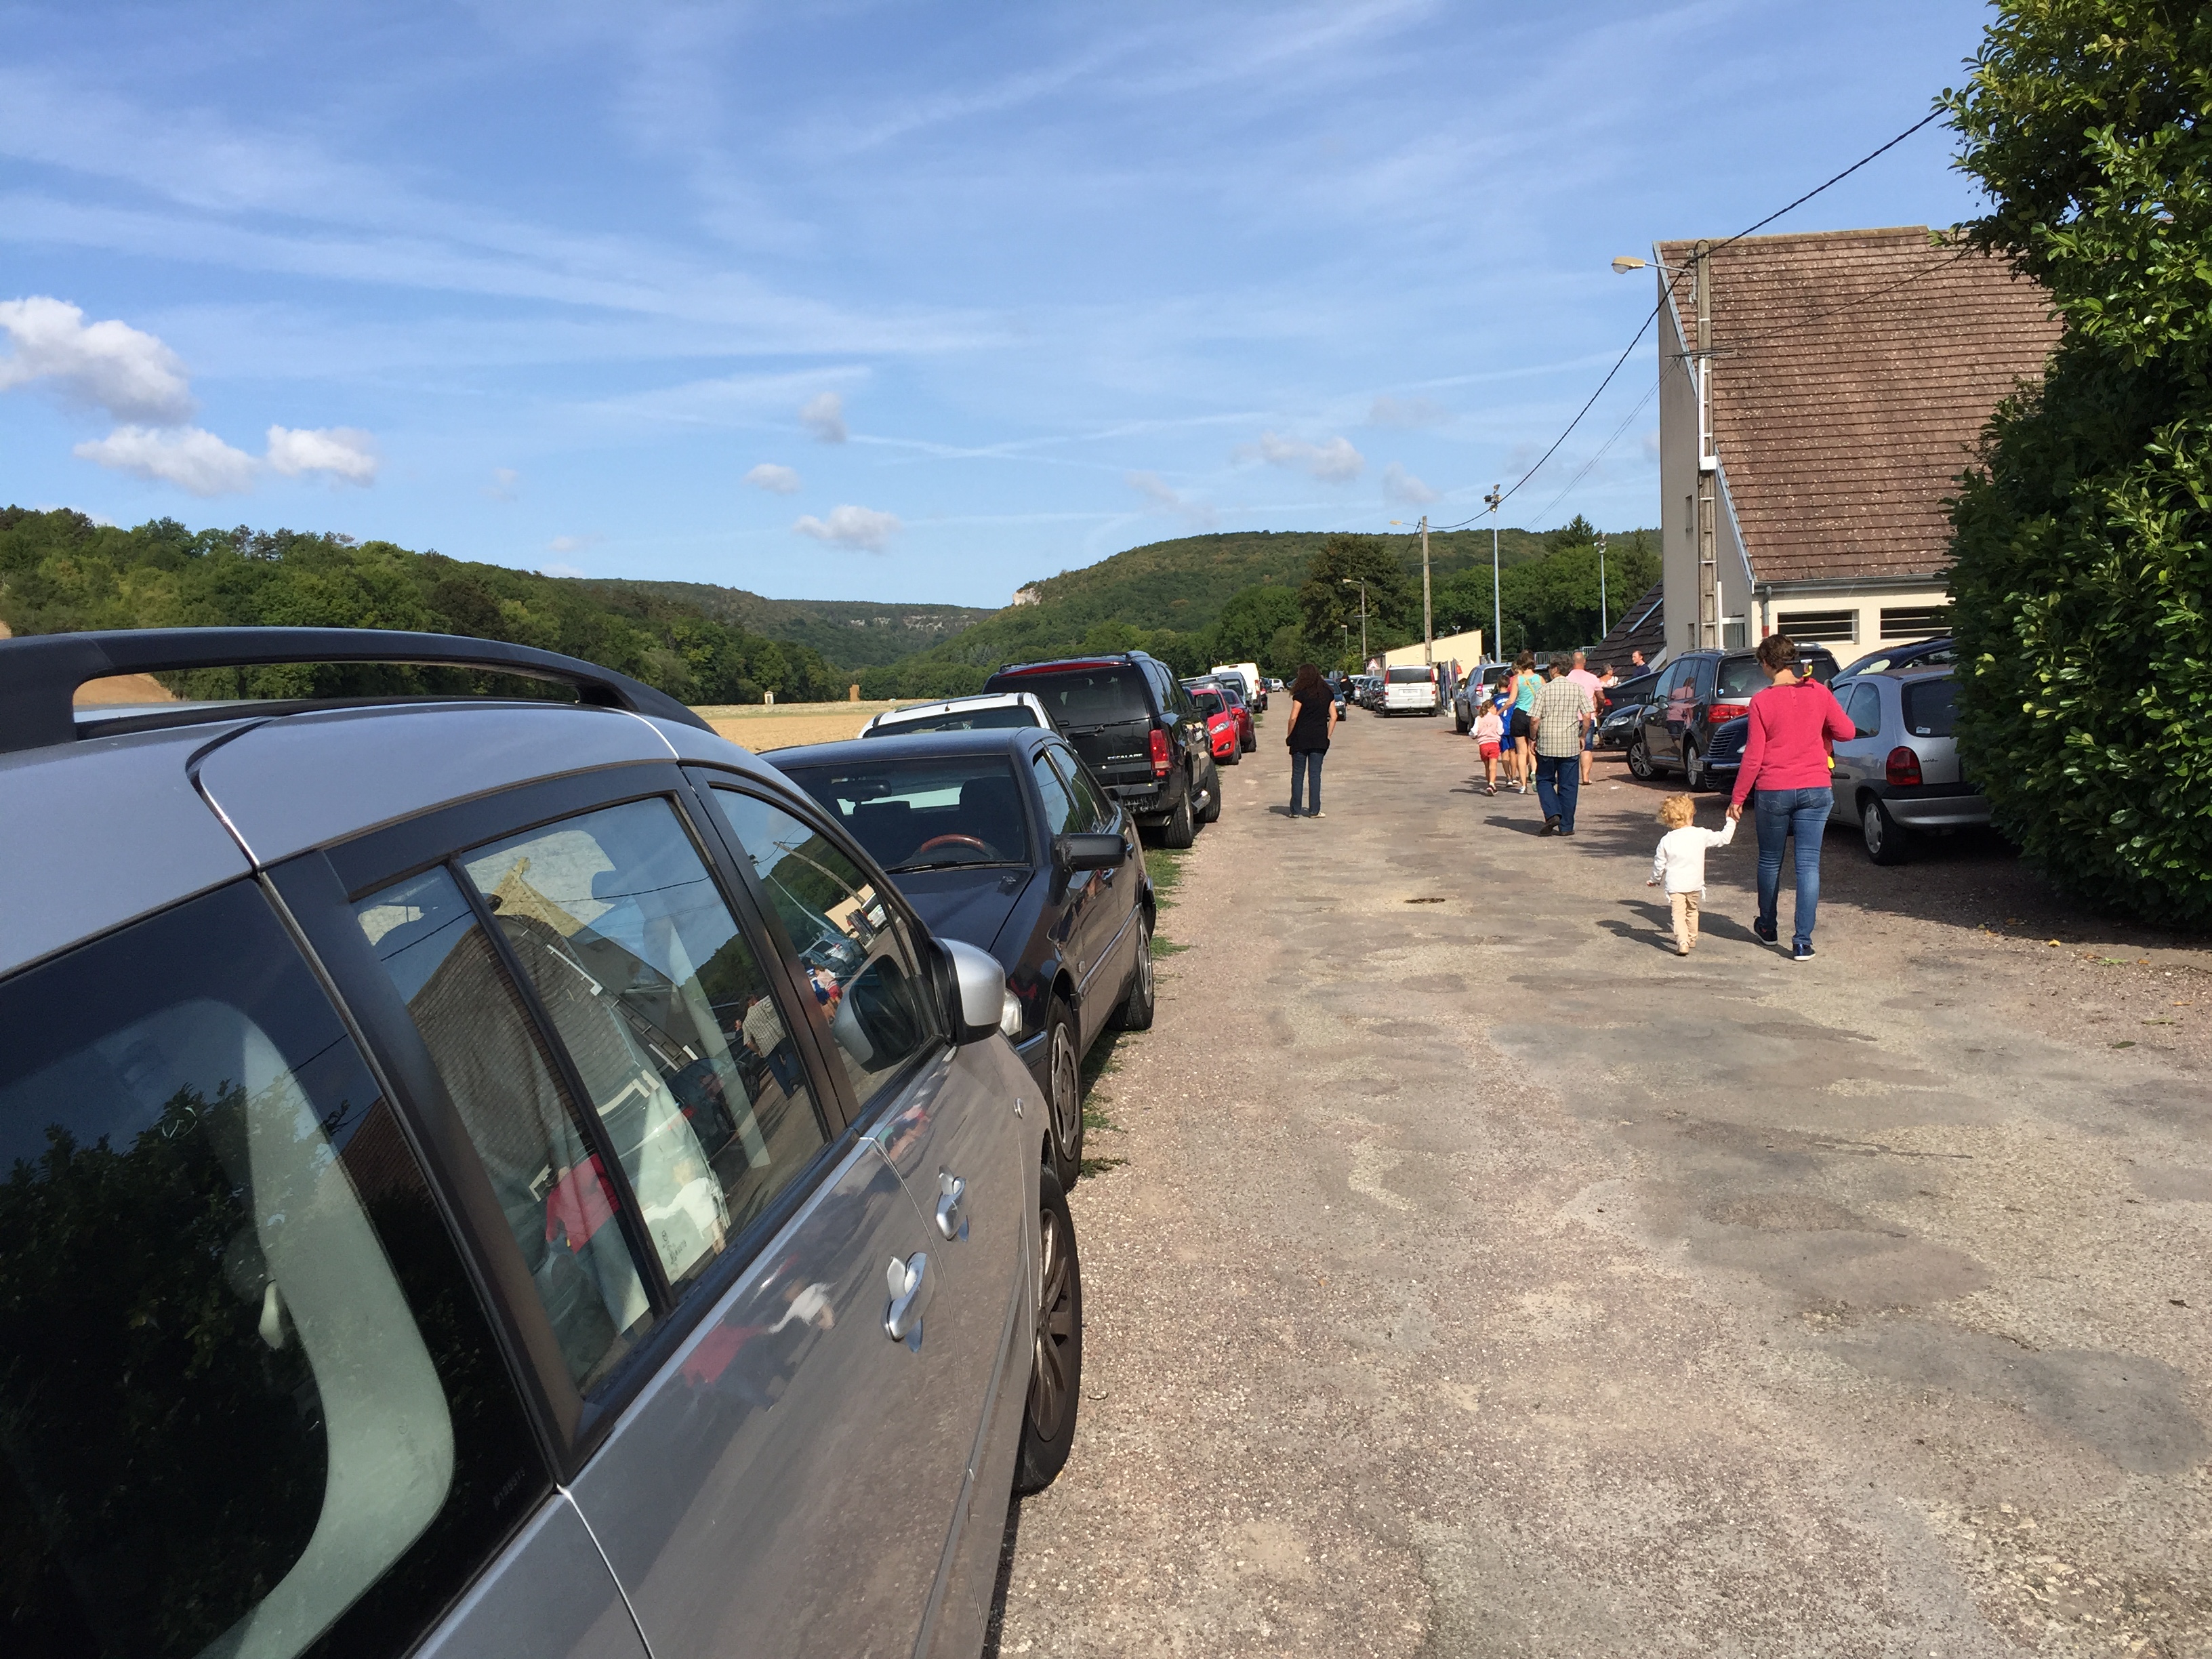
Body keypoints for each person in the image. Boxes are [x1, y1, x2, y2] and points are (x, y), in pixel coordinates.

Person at [1726, 634, 1853, 960]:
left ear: (1768, 663)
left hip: (1774, 788)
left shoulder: (1761, 702)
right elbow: (1847, 732)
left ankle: (1768, 927)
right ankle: (1802, 942)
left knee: (1770, 861)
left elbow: (1753, 756)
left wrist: (1738, 798)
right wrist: (1821, 729)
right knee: (1808, 865)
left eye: (1761, 663)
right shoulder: (1819, 692)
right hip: (1815, 787)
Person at [1647, 794, 1737, 956]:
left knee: (1678, 914)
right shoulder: (1700, 834)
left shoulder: (1666, 840)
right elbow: (1724, 838)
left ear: (1669, 820)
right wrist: (1731, 821)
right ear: (1690, 815)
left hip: (1675, 886)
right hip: (1695, 884)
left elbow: (1659, 864)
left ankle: (1683, 942)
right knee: (1692, 910)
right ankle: (1692, 937)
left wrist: (1655, 879)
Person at [1528, 650, 1594, 836]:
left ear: (1555, 669)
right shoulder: (1577, 689)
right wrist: (1583, 736)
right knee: (1569, 786)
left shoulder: (1544, 690)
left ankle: (1553, 813)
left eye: (1550, 667)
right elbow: (1587, 716)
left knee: (1544, 780)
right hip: (1570, 744)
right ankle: (1566, 827)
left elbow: (1534, 719)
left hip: (1547, 744)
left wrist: (1533, 738)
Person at [1285, 661, 1339, 819]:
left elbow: (1293, 717)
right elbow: (1334, 716)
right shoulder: (1327, 693)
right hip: (1319, 739)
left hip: (1300, 739)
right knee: (1315, 775)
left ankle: (1295, 810)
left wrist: (1289, 735)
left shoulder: (1300, 694)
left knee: (1298, 775)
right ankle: (1314, 810)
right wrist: (1327, 736)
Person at [1566, 649, 1605, 786]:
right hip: (1587, 716)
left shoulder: (1567, 679)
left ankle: (1570, 777)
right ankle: (1585, 778)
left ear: (1572, 663)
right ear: (1584, 662)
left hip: (1570, 718)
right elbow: (1601, 697)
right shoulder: (1592, 678)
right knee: (1587, 747)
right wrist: (1599, 708)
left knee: (1570, 748)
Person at [1507, 650, 1540, 793]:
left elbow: (1511, 701)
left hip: (1520, 715)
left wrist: (1500, 712)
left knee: (1521, 752)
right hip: (1535, 715)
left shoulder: (1517, 679)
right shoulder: (1540, 679)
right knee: (1533, 749)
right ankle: (1535, 774)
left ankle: (1523, 785)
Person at [1473, 699, 1504, 795]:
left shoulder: (1479, 719)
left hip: (1483, 745)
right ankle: (1492, 784)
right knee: (1493, 767)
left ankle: (1489, 784)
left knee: (1487, 767)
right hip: (1494, 744)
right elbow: (1501, 731)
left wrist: (1474, 736)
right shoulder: (1497, 718)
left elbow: (1474, 731)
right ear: (1490, 708)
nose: (1496, 710)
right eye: (1495, 708)